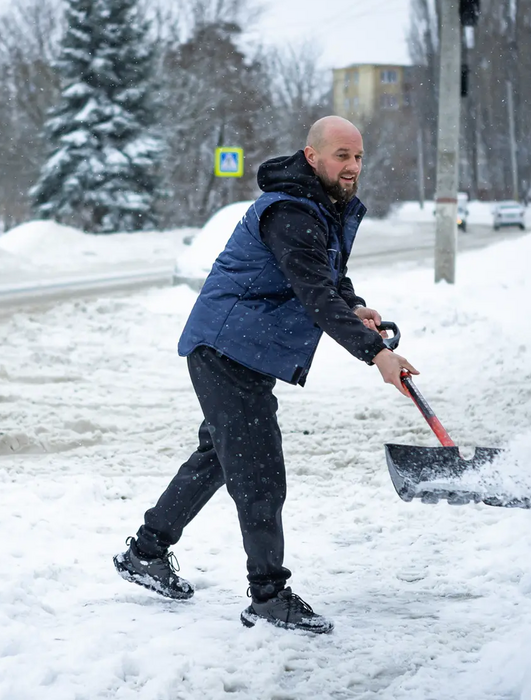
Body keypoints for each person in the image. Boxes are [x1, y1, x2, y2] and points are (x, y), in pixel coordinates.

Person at [113, 116, 419, 633]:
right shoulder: (291, 212)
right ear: (311, 156)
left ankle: (146, 552)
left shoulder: (319, 205)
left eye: (358, 156)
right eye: (341, 156)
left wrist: (358, 308)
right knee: (258, 472)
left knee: (219, 457)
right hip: (227, 349)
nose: (352, 167)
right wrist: (375, 354)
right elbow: (314, 294)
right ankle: (268, 596)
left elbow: (327, 279)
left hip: (240, 350)